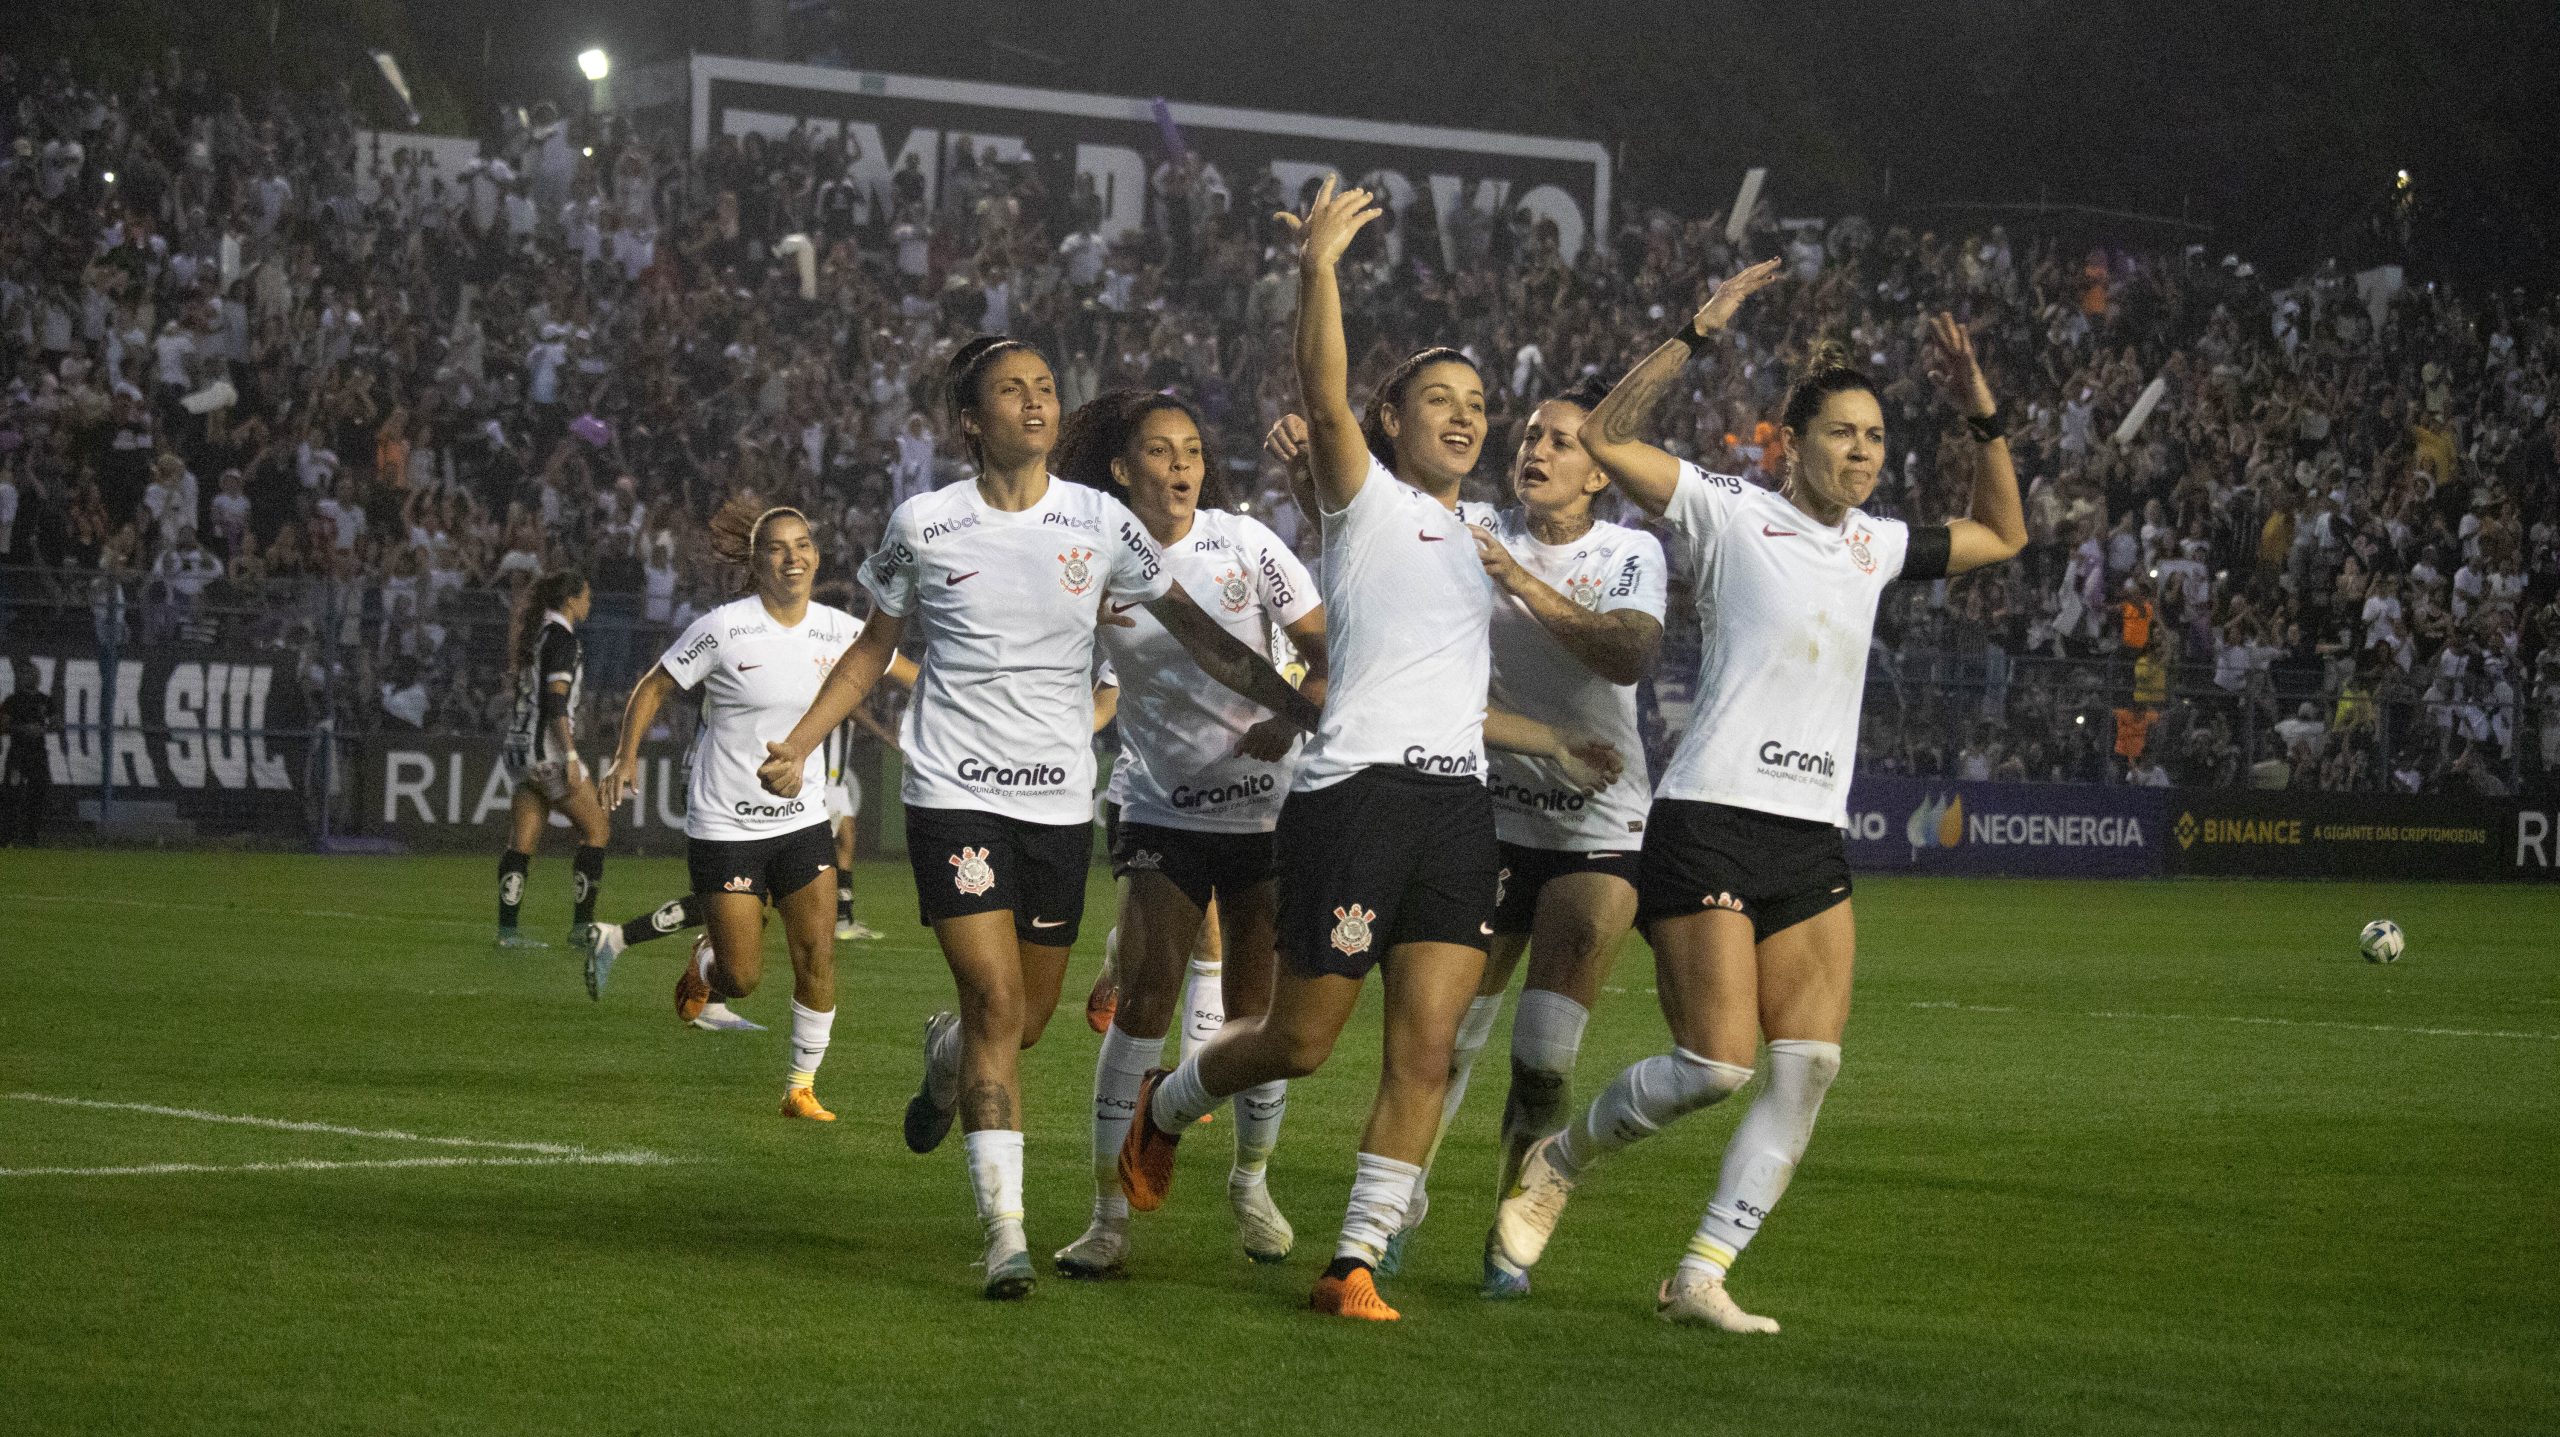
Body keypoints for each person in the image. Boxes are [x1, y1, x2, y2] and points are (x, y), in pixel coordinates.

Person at [1114, 180, 1620, 1322]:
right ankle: (1167, 1105)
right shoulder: (1366, 502)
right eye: (1437, 399)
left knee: (1428, 1051)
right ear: (1392, 424)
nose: (1463, 415)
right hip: (1351, 800)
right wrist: (1321, 270)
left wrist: (1549, 738)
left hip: (1455, 812)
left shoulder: (1481, 538)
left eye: (1475, 401)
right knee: (1300, 1039)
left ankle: (1351, 1262)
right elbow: (1324, 396)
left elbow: (1454, 689)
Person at [1488, 264, 2028, 1331]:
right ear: (1791, 442)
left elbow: (2003, 535)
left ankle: (1699, 1273)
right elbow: (1601, 440)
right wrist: (1695, 331)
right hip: (1711, 820)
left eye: (1875, 435)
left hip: (1809, 835)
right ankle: (1557, 1160)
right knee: (1715, 1063)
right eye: (1842, 433)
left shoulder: (1875, 546)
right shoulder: (1726, 509)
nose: (1863, 451)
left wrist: (1982, 416)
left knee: (1810, 1064)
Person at [753, 336, 1319, 1301]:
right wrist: (799, 743)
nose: (1036, 402)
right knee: (995, 1002)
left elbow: (1196, 632)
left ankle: (943, 1067)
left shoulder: (1102, 523)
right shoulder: (923, 524)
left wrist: (1301, 702)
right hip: (953, 795)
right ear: (971, 421)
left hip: (1056, 805)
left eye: (1047, 388)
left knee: (1030, 1020)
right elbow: (867, 650)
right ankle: (1005, 1230)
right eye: (1012, 390)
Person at [1390, 375, 1671, 1283]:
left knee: (1544, 1063)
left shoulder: (1630, 553)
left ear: (1600, 474)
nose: (1535, 450)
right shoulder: (1470, 535)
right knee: (1446, 1038)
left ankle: (1513, 1223)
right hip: (1485, 809)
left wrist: (1521, 584)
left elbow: (1628, 651)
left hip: (1598, 817)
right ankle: (1396, 1203)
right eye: (1532, 436)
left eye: (1561, 441)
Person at [1048, 389, 1329, 1280]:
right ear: (1123, 469)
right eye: (1161, 452)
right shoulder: (1094, 564)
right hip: (1162, 807)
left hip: (1268, 809)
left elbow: (1326, 648)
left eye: (1194, 450)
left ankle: (1251, 1183)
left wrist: (1293, 720)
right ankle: (1104, 1218)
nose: (1182, 466)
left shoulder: (1246, 545)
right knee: (1145, 997)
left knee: (1259, 1016)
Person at [596, 500, 904, 1118]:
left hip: (802, 820)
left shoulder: (841, 630)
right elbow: (655, 685)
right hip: (726, 823)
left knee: (818, 953)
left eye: (803, 545)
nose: (794, 557)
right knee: (741, 979)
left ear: (816, 555)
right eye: (778, 548)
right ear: (758, 562)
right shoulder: (724, 628)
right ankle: (706, 959)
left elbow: (910, 673)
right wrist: (625, 757)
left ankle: (800, 1087)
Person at [496, 570, 612, 949]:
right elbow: (556, 702)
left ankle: (508, 932)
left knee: (522, 842)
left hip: (517, 746)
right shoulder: (563, 639)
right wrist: (571, 755)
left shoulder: (537, 634)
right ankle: (581, 929)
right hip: (546, 750)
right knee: (596, 830)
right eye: (586, 596)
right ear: (570, 600)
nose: (589, 602)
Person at [2, 661, 56, 847]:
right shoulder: (12, 701)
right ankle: (6, 837)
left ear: (38, 677)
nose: (28, 676)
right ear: (19, 678)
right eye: (24, 673)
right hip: (18, 754)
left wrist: (43, 728)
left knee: (38, 793)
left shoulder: (45, 700)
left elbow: (57, 723)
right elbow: (4, 724)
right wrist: (24, 729)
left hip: (38, 754)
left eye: (31, 673)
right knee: (11, 794)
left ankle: (30, 837)